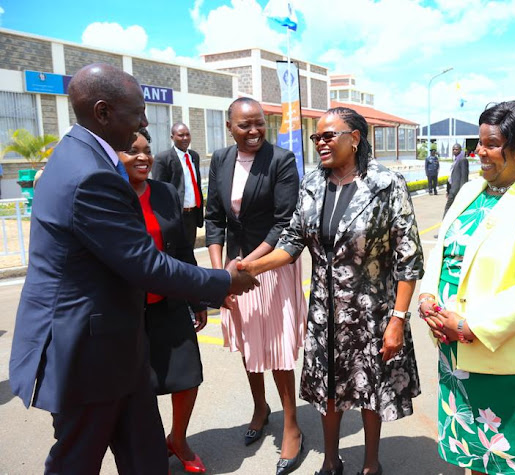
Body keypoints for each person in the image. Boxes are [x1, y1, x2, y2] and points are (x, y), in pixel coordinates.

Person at [8, 63, 257, 475]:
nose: (144, 122)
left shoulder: (78, 155)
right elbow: (143, 264)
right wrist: (222, 281)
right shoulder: (88, 174)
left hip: (118, 345)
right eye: (137, 112)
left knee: (144, 455)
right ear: (103, 112)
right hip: (88, 355)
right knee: (75, 461)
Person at [239, 106, 424, 475]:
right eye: (316, 137)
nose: (320, 143)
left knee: (371, 387)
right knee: (327, 390)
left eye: (328, 136)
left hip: (373, 313)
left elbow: (409, 258)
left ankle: (371, 464)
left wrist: (398, 320)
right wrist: (249, 268)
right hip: (325, 315)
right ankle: (330, 460)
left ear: (354, 139)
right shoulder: (311, 184)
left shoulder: (386, 185)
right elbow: (291, 241)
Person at [418, 101, 515, 475]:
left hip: (506, 360)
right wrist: (426, 298)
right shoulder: (471, 190)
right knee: (469, 455)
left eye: (491, 143)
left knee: (500, 462)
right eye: (479, 142)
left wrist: (468, 326)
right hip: (455, 354)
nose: (479, 152)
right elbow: (441, 251)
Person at [204, 97, 307, 475]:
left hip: (271, 264)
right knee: (249, 341)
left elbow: (283, 222)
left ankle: (292, 424)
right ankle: (260, 407)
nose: (253, 132)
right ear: (229, 125)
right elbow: (213, 218)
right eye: (244, 125)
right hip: (233, 266)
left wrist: (249, 265)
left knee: (277, 346)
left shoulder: (281, 160)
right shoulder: (220, 159)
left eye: (259, 123)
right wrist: (221, 275)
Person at [119, 127, 208, 473]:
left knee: (188, 377)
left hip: (170, 302)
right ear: (115, 157)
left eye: (147, 149)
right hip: (128, 310)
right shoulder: (109, 197)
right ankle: (153, 447)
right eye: (132, 150)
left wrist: (198, 298)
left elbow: (183, 248)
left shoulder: (165, 192)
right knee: (142, 386)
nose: (143, 156)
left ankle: (179, 439)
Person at [152, 122, 205, 250]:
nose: (185, 138)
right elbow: (159, 191)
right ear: (172, 137)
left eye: (187, 134)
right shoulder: (162, 158)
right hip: (175, 215)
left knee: (189, 251)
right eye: (181, 135)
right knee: (175, 252)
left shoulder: (194, 156)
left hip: (192, 214)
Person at [444, 143, 469, 215]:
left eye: (456, 149)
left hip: (456, 190)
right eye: (453, 149)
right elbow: (451, 176)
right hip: (452, 190)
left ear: (460, 150)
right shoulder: (456, 160)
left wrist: (462, 191)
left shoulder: (463, 160)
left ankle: (445, 224)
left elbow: (464, 177)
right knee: (450, 208)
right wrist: (448, 190)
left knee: (448, 208)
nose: (454, 151)